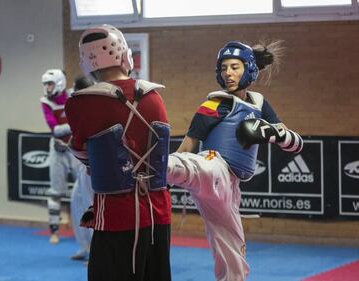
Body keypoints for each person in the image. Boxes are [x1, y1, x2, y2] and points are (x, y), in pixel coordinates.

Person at [167, 40, 303, 281]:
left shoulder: (259, 103)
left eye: (234, 67)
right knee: (202, 166)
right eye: (223, 68)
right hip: (213, 165)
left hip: (232, 186)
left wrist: (275, 133)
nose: (227, 73)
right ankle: (156, 167)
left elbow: (293, 142)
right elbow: (188, 146)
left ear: (249, 68)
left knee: (233, 253)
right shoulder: (214, 103)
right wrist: (164, 181)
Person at [65, 24, 172, 281]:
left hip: (116, 214)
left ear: (86, 63)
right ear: (125, 55)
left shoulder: (81, 104)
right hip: (158, 211)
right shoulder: (154, 96)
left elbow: (83, 154)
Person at [40, 69, 82, 244]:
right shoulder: (45, 102)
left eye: (50, 84)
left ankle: (85, 230)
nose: (47, 88)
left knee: (83, 190)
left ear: (59, 82)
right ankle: (54, 231)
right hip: (58, 150)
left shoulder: (73, 96)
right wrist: (75, 126)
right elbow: (55, 129)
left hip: (75, 148)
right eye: (45, 85)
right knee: (55, 192)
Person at [69, 76, 95, 261]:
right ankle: (84, 248)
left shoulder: (94, 108)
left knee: (90, 208)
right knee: (76, 204)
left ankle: (96, 253)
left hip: (91, 166)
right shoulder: (77, 109)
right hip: (80, 164)